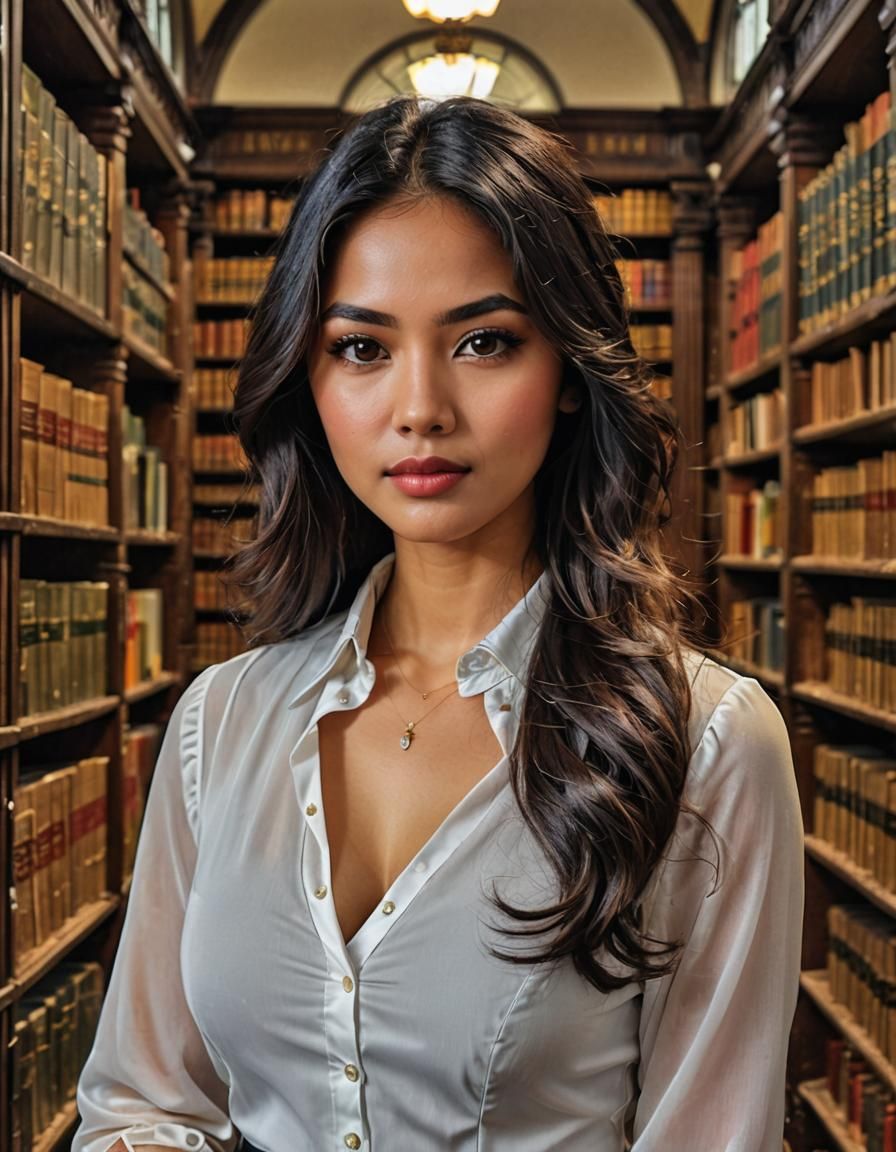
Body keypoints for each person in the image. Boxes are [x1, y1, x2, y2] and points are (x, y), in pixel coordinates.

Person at [71, 95, 804, 1152]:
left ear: (565, 371)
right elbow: (139, 1100)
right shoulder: (216, 725)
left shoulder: (709, 744)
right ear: (308, 375)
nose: (419, 406)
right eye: (362, 348)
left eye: (483, 341)